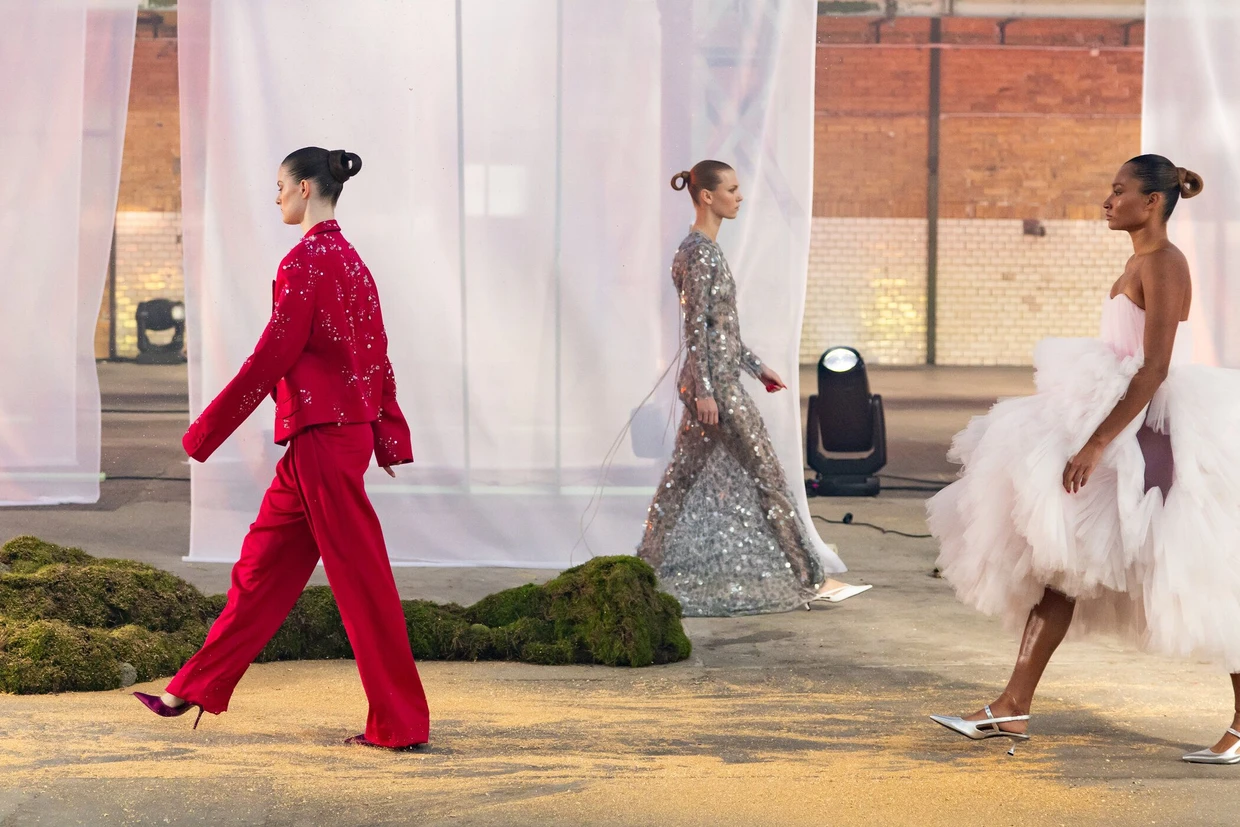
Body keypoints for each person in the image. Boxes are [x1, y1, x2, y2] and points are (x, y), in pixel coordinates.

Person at [926, 155, 1240, 763]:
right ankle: (1013, 703)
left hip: (1147, 430)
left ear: (1153, 201)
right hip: (1117, 419)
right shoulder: (1139, 261)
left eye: (1119, 191)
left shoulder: (1164, 262)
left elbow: (1154, 369)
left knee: (1199, 571)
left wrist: (1097, 443)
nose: (1107, 201)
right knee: (1062, 559)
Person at [133, 147, 430, 751]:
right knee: (260, 569)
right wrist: (386, 436)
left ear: (304, 189)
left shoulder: (305, 262)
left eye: (279, 187)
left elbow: (275, 354)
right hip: (329, 441)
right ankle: (191, 687)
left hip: (323, 441)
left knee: (361, 582)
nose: (276, 198)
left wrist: (204, 433)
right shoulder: (354, 264)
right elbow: (377, 352)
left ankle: (400, 724)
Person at [636, 160, 870, 616]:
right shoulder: (700, 254)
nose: (739, 197)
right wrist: (706, 390)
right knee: (768, 478)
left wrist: (757, 367)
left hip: (717, 381)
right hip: (717, 389)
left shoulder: (702, 250)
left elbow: (721, 330)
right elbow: (696, 328)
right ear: (708, 196)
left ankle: (644, 568)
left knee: (679, 482)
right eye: (732, 189)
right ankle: (811, 578)